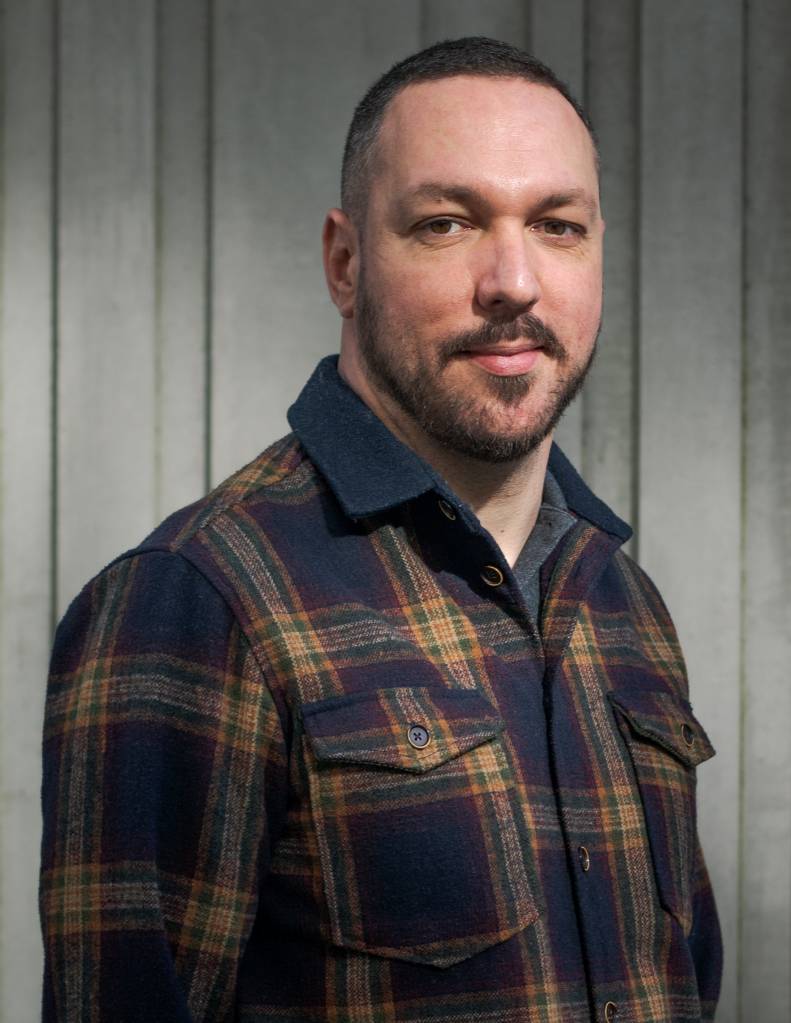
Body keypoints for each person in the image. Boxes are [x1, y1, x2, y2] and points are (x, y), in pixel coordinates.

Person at [40, 36, 722, 1023]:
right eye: (447, 222)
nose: (513, 281)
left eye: (557, 225)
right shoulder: (194, 599)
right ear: (345, 261)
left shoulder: (622, 604)